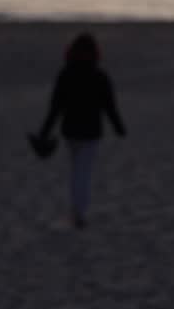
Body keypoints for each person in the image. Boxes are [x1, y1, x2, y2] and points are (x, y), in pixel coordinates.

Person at [34, 32, 126, 229]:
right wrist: (119, 128)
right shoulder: (100, 76)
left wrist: (44, 132)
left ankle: (77, 212)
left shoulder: (65, 74)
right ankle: (79, 213)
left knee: (76, 171)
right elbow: (110, 106)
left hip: (71, 130)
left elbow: (55, 107)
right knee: (83, 173)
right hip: (92, 131)